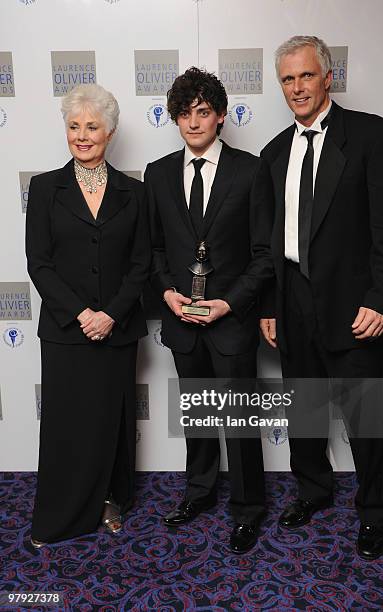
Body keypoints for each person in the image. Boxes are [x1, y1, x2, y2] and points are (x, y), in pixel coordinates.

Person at [260, 36, 383, 560]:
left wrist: (381, 299)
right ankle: (313, 492)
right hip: (292, 301)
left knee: (366, 416)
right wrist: (268, 306)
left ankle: (374, 511)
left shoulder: (372, 136)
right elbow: (269, 240)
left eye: (305, 76)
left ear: (328, 77)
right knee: (303, 409)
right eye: (287, 79)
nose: (296, 88)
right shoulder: (274, 152)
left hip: (354, 306)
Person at [145, 67, 274, 553]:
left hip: (231, 319)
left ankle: (247, 508)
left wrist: (230, 302)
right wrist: (166, 293)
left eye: (203, 112)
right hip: (182, 319)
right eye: (185, 113)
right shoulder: (157, 174)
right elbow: (153, 250)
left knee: (238, 419)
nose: (193, 122)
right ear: (175, 118)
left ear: (221, 116)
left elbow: (264, 254)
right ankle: (198, 492)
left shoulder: (251, 169)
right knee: (197, 414)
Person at [26, 84, 150, 546]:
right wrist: (82, 313)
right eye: (74, 126)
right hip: (65, 330)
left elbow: (141, 264)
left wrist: (111, 314)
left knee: (110, 421)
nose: (82, 135)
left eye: (92, 126)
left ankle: (109, 498)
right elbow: (38, 262)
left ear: (110, 132)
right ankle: (61, 513)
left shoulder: (134, 193)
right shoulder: (44, 188)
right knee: (67, 424)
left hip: (116, 330)